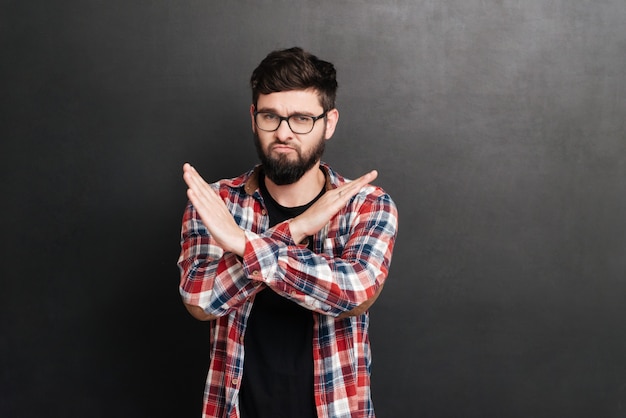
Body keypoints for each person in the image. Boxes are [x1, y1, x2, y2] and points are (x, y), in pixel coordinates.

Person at [177, 46, 398, 418]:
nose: (283, 132)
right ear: (253, 117)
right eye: (270, 116)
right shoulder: (216, 203)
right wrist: (295, 229)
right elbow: (199, 301)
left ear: (329, 122)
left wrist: (243, 245)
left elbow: (355, 293)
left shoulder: (365, 205)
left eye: (301, 119)